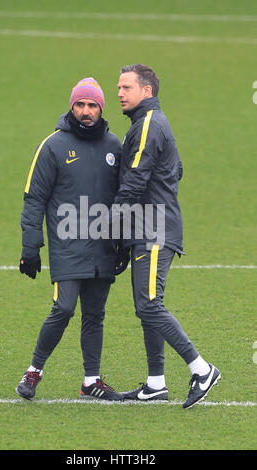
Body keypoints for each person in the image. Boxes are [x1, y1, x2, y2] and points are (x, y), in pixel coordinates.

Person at [115, 64, 221, 409]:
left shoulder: (148, 124)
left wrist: (110, 227)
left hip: (154, 231)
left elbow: (134, 179)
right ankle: (156, 383)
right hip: (149, 228)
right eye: (118, 87)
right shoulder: (152, 123)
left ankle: (202, 369)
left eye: (126, 87)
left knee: (149, 304)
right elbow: (176, 170)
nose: (119, 93)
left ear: (147, 91)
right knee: (146, 307)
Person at [16, 77, 125, 401]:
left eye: (92, 105)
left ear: (101, 108)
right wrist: (30, 246)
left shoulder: (114, 146)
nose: (86, 111)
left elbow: (126, 195)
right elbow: (34, 198)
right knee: (63, 308)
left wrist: (123, 243)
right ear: (72, 107)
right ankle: (34, 371)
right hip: (67, 245)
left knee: (95, 314)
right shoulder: (53, 146)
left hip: (103, 245)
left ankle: (91, 380)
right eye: (80, 104)